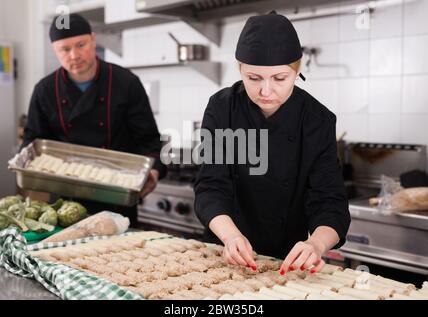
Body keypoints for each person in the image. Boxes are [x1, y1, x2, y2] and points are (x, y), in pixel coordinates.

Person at [194, 11, 351, 275]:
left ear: (296, 70)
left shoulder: (317, 120)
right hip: (225, 252)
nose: (266, 91)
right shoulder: (222, 108)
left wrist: (316, 244)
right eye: (254, 78)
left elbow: (329, 201)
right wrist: (231, 237)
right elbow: (211, 185)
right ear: (240, 69)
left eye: (280, 78)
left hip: (287, 261)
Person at [22, 14, 166, 226]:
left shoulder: (126, 83)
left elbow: (149, 141)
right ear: (55, 50)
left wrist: (153, 172)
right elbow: (32, 143)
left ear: (93, 39)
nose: (74, 55)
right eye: (65, 49)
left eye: (81, 45)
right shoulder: (45, 90)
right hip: (64, 205)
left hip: (118, 201)